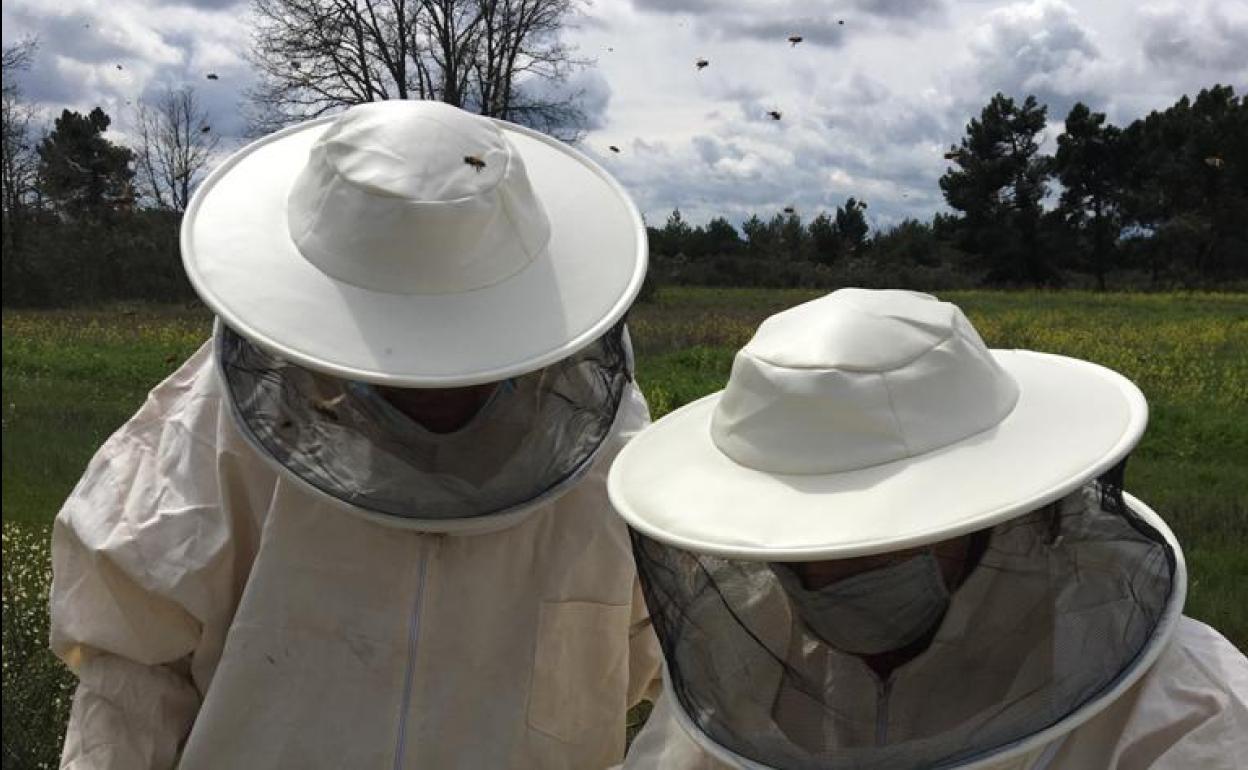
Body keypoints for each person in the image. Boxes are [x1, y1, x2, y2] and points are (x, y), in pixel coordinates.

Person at [49, 100, 661, 770]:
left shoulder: (614, 454)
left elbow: (672, 663)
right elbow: (134, 662)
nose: (430, 385)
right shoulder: (212, 426)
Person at [607, 289, 1248, 769]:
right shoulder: (746, 648)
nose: (826, 578)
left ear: (997, 503)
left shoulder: (1194, 713)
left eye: (878, 539)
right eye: (803, 541)